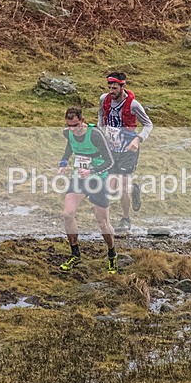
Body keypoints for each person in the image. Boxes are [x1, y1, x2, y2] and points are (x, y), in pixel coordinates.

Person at [57, 107, 118, 273]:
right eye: (69, 125)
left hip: (98, 180)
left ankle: (112, 253)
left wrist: (92, 171)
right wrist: (63, 162)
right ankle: (75, 254)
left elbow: (110, 161)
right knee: (67, 214)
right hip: (79, 178)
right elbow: (70, 147)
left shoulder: (95, 135)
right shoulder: (68, 133)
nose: (72, 129)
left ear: (82, 120)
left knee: (103, 223)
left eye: (75, 125)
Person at [97, 71, 153, 234]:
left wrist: (138, 139)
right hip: (111, 148)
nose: (111, 90)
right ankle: (133, 188)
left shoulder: (133, 104)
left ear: (123, 86)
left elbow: (148, 124)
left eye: (114, 87)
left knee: (121, 187)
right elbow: (101, 116)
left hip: (128, 149)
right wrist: (101, 134)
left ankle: (126, 219)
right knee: (112, 187)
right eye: (109, 87)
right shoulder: (104, 99)